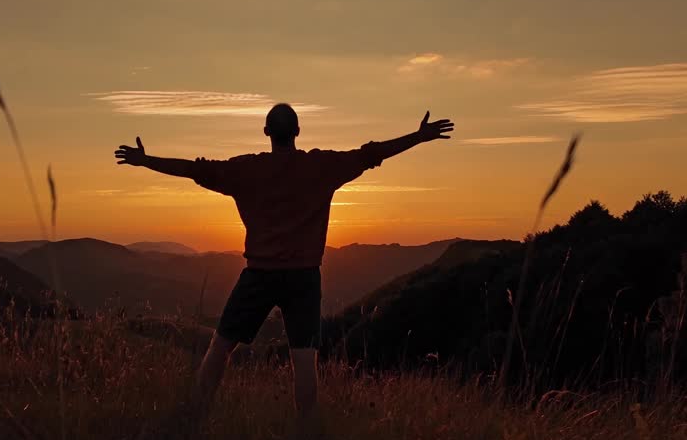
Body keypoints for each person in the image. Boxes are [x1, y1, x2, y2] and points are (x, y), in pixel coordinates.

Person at [115, 104, 453, 415]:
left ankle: (194, 415)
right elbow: (371, 154)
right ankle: (306, 433)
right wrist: (419, 137)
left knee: (220, 349)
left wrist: (147, 161)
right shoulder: (321, 166)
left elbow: (193, 169)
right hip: (304, 277)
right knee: (304, 362)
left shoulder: (245, 170)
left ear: (266, 133)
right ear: (298, 132)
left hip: (258, 274)